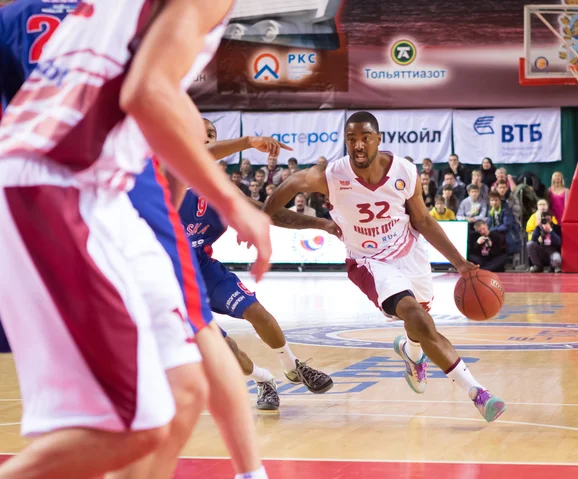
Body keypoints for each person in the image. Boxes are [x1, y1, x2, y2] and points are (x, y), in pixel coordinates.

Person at [0, 1, 272, 478]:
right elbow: (147, 94)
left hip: (97, 181)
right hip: (60, 181)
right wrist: (233, 203)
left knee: (184, 386)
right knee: (132, 428)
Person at [263, 111, 506, 423]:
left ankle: (411, 352)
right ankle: (478, 393)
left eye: (365, 138)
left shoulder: (404, 170)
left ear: (378, 139)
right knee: (415, 315)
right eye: (351, 139)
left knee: (420, 321)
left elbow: (422, 220)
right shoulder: (328, 175)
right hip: (369, 261)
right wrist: (320, 223)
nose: (358, 145)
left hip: (409, 250)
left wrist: (460, 263)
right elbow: (270, 210)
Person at [179, 118, 334, 406]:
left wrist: (320, 223)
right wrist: (249, 141)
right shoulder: (168, 171)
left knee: (258, 313)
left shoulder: (220, 187)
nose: (206, 140)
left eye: (211, 134)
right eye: (199, 134)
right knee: (224, 349)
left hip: (202, 265)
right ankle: (263, 379)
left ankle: (293, 367)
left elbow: (267, 214)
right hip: (171, 278)